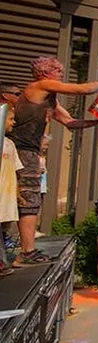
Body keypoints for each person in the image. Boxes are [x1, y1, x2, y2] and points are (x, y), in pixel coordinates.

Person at [8, 56, 98, 266]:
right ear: (46, 72)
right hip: (23, 151)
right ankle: (27, 252)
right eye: (57, 71)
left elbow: (70, 122)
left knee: (30, 201)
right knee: (29, 202)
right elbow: (81, 89)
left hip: (29, 151)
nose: (61, 75)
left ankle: (26, 250)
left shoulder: (50, 98)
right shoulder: (40, 85)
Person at [0, 105, 22, 278]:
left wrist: (17, 193)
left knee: (3, 229)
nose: (13, 123)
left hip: (6, 196)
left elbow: (16, 171)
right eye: (10, 119)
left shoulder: (10, 144)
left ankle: (2, 261)